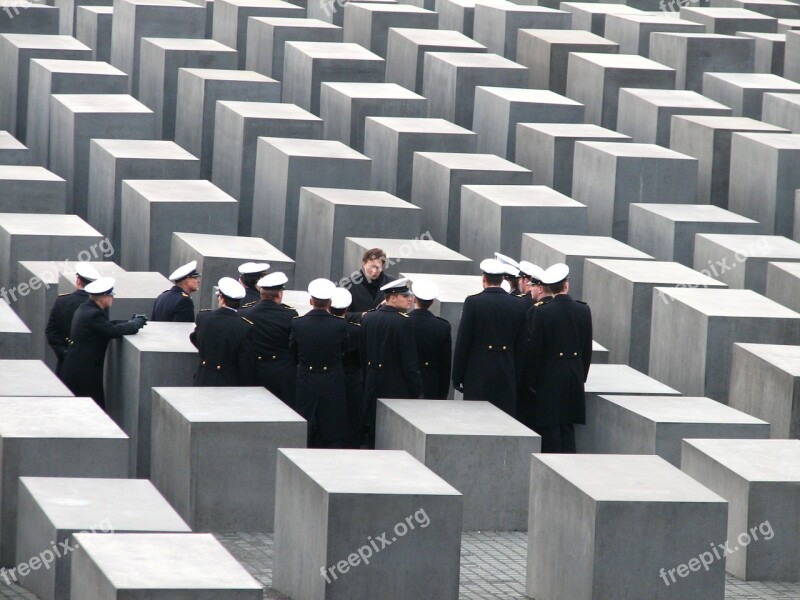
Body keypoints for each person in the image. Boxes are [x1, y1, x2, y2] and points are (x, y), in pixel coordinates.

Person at [526, 263, 592, 453]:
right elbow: (586, 349)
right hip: (574, 375)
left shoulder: (542, 312)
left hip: (549, 376)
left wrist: (533, 381)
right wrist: (581, 375)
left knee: (550, 427)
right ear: (566, 285)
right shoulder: (583, 310)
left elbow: (535, 351)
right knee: (568, 426)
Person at [452, 258, 527, 417]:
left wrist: (457, 376)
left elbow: (463, 341)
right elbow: (522, 345)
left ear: (483, 279)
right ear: (502, 280)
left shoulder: (473, 302)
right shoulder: (518, 304)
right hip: (506, 370)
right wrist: (517, 376)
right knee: (504, 419)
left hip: (477, 371)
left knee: (477, 418)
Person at [60, 277, 146, 409]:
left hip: (78, 369)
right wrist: (135, 325)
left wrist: (130, 321)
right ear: (103, 298)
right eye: (111, 296)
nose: (113, 298)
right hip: (84, 374)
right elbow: (112, 331)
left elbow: (106, 325)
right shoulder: (93, 314)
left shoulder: (86, 308)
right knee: (93, 410)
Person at [360, 278, 423, 447]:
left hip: (372, 381)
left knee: (373, 428)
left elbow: (363, 353)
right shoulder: (404, 322)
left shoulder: (369, 317)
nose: (409, 299)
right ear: (392, 298)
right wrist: (417, 390)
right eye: (404, 296)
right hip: (395, 384)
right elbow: (409, 361)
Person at [290, 279, 349, 448]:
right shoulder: (340, 325)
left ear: (311, 301)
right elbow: (343, 350)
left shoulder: (297, 323)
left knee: (305, 421)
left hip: (306, 378)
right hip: (332, 378)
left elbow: (293, 351)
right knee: (332, 423)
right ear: (330, 303)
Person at [241, 271, 297, 406]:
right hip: (282, 371)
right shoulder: (290, 315)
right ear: (279, 293)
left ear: (261, 293)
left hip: (254, 370)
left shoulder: (245, 312)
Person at [190, 277, 256, 386]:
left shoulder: (203, 317)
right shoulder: (245, 326)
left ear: (221, 298)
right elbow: (245, 362)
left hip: (204, 378)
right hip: (229, 381)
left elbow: (195, 339)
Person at [46, 263, 101, 376]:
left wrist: (63, 352)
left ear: (78, 280)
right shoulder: (98, 305)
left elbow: (51, 331)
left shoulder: (61, 301)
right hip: (90, 366)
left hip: (65, 362)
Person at [330, 287, 364, 448]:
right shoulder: (357, 331)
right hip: (352, 379)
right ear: (347, 308)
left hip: (330, 377)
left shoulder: (326, 328)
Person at [408, 279, 451, 399]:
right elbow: (445, 364)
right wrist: (443, 393)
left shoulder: (402, 322)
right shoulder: (443, 326)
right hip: (432, 382)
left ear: (414, 299)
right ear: (432, 302)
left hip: (406, 382)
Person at [348, 248, 395, 315]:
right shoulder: (349, 285)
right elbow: (343, 314)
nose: (374, 271)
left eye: (378, 267)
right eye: (372, 267)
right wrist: (361, 316)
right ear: (364, 264)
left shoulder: (391, 283)